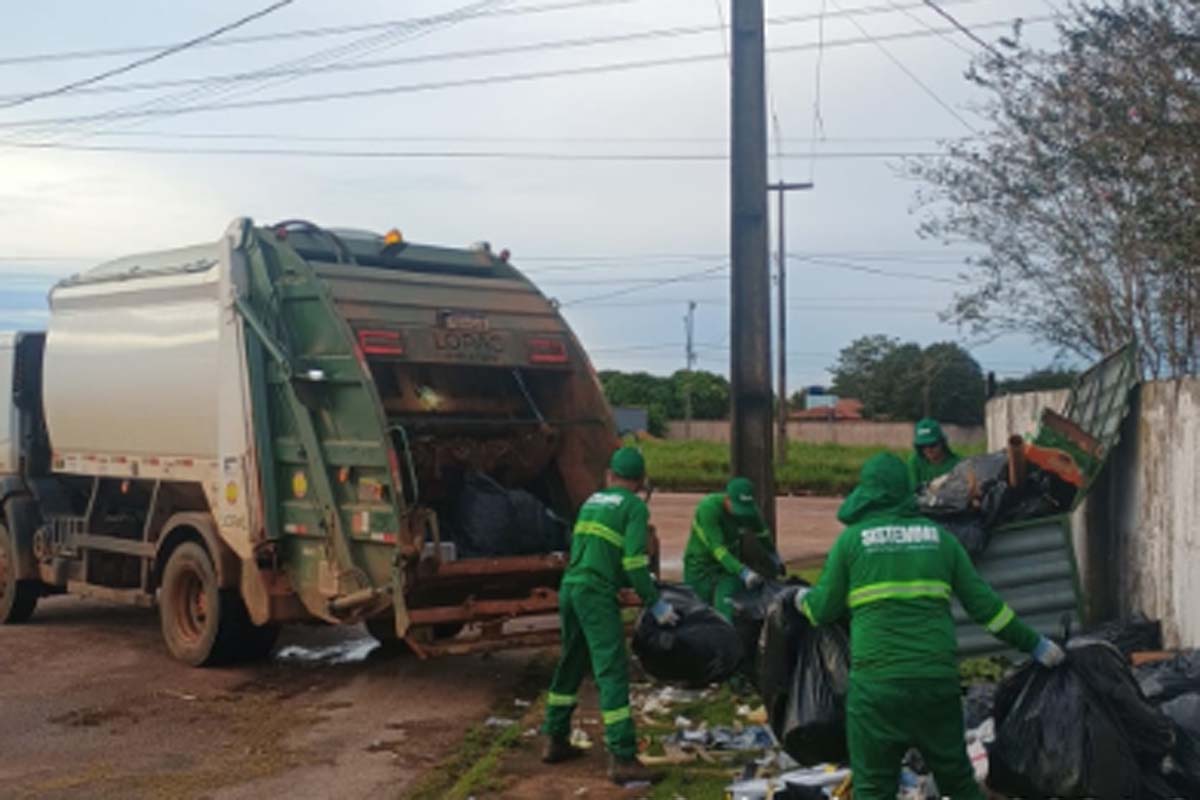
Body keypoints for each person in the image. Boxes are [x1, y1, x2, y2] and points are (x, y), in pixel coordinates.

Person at [794, 453, 1064, 800]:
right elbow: (987, 609)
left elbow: (821, 612)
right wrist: (1037, 645)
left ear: (868, 492)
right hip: (935, 685)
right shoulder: (940, 540)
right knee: (957, 780)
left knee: (874, 787)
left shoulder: (851, 543)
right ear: (906, 489)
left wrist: (800, 599)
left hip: (877, 690)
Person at [541, 446, 677, 786]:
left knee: (571, 662)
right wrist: (653, 601)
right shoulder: (633, 507)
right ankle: (623, 756)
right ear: (641, 482)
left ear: (610, 475)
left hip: (571, 587)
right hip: (594, 594)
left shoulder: (592, 501)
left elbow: (586, 548)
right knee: (612, 669)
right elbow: (633, 561)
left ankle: (555, 737)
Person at [684, 477, 784, 620]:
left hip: (728, 570)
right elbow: (717, 549)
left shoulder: (750, 512)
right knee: (695, 612)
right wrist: (742, 571)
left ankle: (725, 639)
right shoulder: (708, 509)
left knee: (726, 610)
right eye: (737, 508)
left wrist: (774, 556)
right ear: (727, 498)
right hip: (700, 566)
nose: (740, 515)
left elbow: (762, 534)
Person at [908, 417, 962, 490]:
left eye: (932, 444)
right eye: (923, 446)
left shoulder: (958, 463)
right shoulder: (915, 462)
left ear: (942, 442)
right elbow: (912, 490)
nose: (928, 449)